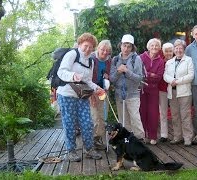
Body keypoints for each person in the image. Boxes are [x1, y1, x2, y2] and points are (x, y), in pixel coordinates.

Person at [57, 33, 104, 161]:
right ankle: (71, 151)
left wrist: (96, 88)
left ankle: (89, 149)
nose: (88, 49)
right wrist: (73, 76)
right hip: (66, 95)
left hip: (82, 95)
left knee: (87, 123)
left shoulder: (91, 61)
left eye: (91, 47)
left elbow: (88, 80)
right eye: (85, 46)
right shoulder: (72, 54)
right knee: (70, 124)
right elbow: (61, 72)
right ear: (79, 44)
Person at [110, 34, 145, 140]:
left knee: (135, 119)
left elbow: (139, 78)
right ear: (120, 45)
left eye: (129, 46)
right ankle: (128, 141)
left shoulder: (136, 59)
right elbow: (112, 78)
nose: (126, 48)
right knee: (123, 120)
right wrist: (118, 72)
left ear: (132, 47)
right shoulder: (115, 60)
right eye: (124, 45)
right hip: (119, 95)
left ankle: (140, 140)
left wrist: (127, 71)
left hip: (132, 94)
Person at [163, 39, 194, 146]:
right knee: (175, 116)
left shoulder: (188, 60)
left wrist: (177, 81)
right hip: (172, 93)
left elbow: (191, 76)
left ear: (184, 49)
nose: (178, 50)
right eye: (176, 48)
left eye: (180, 48)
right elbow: (165, 75)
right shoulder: (169, 62)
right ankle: (177, 137)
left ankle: (188, 138)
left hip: (184, 93)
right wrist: (171, 81)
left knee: (185, 116)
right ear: (174, 50)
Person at [139, 38, 165, 145]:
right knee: (142, 112)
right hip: (142, 89)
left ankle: (153, 136)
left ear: (159, 48)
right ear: (148, 47)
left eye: (156, 46)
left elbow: (158, 77)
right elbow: (140, 73)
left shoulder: (161, 61)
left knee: (153, 113)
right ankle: (143, 135)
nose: (154, 47)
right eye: (152, 45)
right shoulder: (141, 57)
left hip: (154, 89)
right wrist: (150, 74)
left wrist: (147, 74)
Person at [89, 40, 112, 150]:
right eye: (102, 49)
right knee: (95, 117)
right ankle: (93, 139)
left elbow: (111, 75)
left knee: (103, 117)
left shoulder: (109, 61)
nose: (104, 52)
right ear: (98, 48)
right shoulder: (91, 59)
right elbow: (87, 78)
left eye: (107, 51)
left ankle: (97, 139)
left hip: (103, 92)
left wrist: (108, 77)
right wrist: (91, 95)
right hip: (92, 91)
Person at [158, 42, 174, 143]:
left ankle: (177, 134)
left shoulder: (176, 61)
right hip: (162, 90)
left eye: (170, 51)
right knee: (163, 112)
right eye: (166, 51)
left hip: (174, 89)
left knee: (175, 112)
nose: (168, 53)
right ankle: (164, 134)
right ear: (163, 52)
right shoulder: (160, 62)